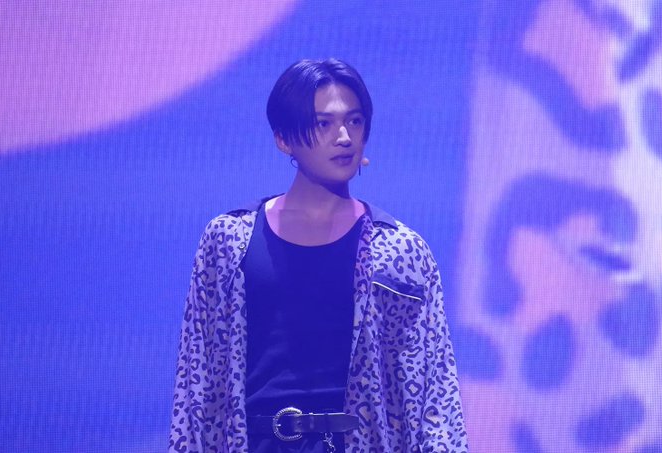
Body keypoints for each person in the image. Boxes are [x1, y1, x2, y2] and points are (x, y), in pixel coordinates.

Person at [169, 58, 468, 452]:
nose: (343, 137)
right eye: (323, 124)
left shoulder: (400, 252)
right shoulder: (228, 242)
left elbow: (436, 390)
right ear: (283, 138)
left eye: (354, 121)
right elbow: (197, 381)